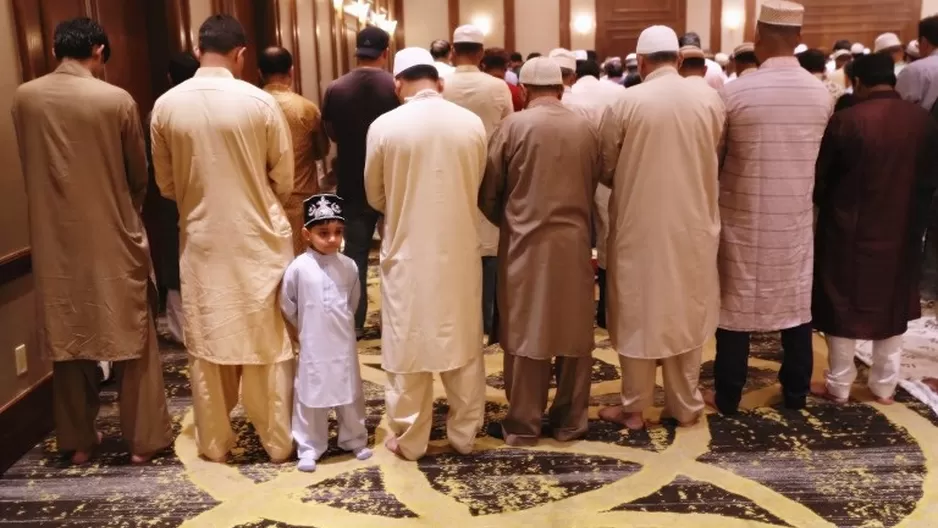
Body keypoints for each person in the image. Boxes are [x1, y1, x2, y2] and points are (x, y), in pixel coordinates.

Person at [12, 17, 173, 465]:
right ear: (99, 50)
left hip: (53, 241)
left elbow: (31, 165)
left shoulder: (24, 98)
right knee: (135, 340)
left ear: (56, 48)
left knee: (69, 340)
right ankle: (143, 442)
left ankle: (78, 442)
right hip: (113, 234)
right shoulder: (115, 99)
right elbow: (138, 175)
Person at [150, 14, 295, 463]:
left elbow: (166, 184)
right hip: (259, 239)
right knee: (267, 341)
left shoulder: (167, 106)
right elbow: (283, 177)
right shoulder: (260, 102)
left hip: (202, 239)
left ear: (198, 51)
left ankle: (214, 442)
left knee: (210, 342)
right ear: (241, 53)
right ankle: (277, 442)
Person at [706, 0, 833, 416]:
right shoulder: (821, 94)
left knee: (735, 309)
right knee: (795, 306)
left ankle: (727, 396)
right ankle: (795, 394)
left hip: (741, 215)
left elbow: (717, 157)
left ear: (758, 38)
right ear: (798, 40)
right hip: (794, 217)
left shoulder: (735, 92)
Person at [597, 25, 725, 431]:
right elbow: (714, 153)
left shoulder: (628, 102)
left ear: (641, 61)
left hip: (640, 225)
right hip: (693, 224)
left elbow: (605, 166)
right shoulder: (709, 99)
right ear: (680, 58)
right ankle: (685, 405)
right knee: (685, 310)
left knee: (639, 311)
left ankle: (633, 408)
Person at [365, 47, 488, 461]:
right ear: (439, 82)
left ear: (397, 83)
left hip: (407, 250)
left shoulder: (384, 126)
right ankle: (464, 434)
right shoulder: (471, 124)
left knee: (408, 344)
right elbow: (478, 183)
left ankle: (411, 439)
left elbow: (374, 194)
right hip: (459, 249)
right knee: (463, 342)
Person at [479, 57, 601, 446]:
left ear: (525, 91)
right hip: (576, 243)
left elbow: (489, 192)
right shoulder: (585, 127)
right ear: (561, 88)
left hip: (524, 245)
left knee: (527, 331)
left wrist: (514, 221)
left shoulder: (512, 126)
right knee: (573, 331)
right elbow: (595, 180)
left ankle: (523, 425)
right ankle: (569, 423)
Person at [813, 53, 938, 404]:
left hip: (849, 228)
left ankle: (838, 386)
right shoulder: (923, 121)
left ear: (858, 82)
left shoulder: (848, 120)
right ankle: (884, 386)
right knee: (893, 301)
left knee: (841, 301)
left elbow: (822, 182)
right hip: (904, 228)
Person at [281, 193, 373, 472]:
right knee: (311, 393)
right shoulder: (298, 268)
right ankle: (310, 445)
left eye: (337, 232)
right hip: (312, 342)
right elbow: (288, 305)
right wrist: (306, 329)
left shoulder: (348, 266)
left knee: (349, 390)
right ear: (306, 234)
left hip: (342, 344)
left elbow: (353, 302)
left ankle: (353, 438)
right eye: (324, 233)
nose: (332, 239)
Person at [321, 26, 400, 337]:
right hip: (392, 184)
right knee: (394, 256)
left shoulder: (336, 88)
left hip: (353, 184)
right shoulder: (395, 86)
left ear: (357, 52)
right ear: (385, 52)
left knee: (354, 256)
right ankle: (395, 322)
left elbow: (331, 132)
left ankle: (354, 321)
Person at [442, 25, 513, 338]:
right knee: (490, 250)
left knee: (456, 248)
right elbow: (509, 132)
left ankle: (459, 320)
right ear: (481, 53)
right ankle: (489, 322)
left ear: (454, 52)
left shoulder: (443, 84)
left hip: (450, 174)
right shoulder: (497, 87)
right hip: (489, 174)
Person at [143, 51, 199, 345]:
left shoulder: (159, 112)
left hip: (169, 199)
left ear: (169, 77)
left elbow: (151, 163)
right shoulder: (207, 106)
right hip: (205, 192)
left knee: (173, 262)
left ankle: (181, 331)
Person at [564, 56, 621, 329]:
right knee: (609, 235)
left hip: (571, 176)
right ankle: (606, 311)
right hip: (607, 174)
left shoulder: (570, 98)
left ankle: (575, 309)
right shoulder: (615, 93)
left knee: (577, 236)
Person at [260, 46, 330, 256]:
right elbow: (321, 151)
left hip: (262, 201)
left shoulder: (251, 107)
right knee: (302, 264)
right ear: (291, 71)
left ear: (259, 73)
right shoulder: (306, 108)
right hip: (300, 200)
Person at [898, 15, 938, 302]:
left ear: (923, 42)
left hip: (923, 153)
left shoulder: (916, 70)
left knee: (919, 217)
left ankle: (921, 284)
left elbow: (898, 113)